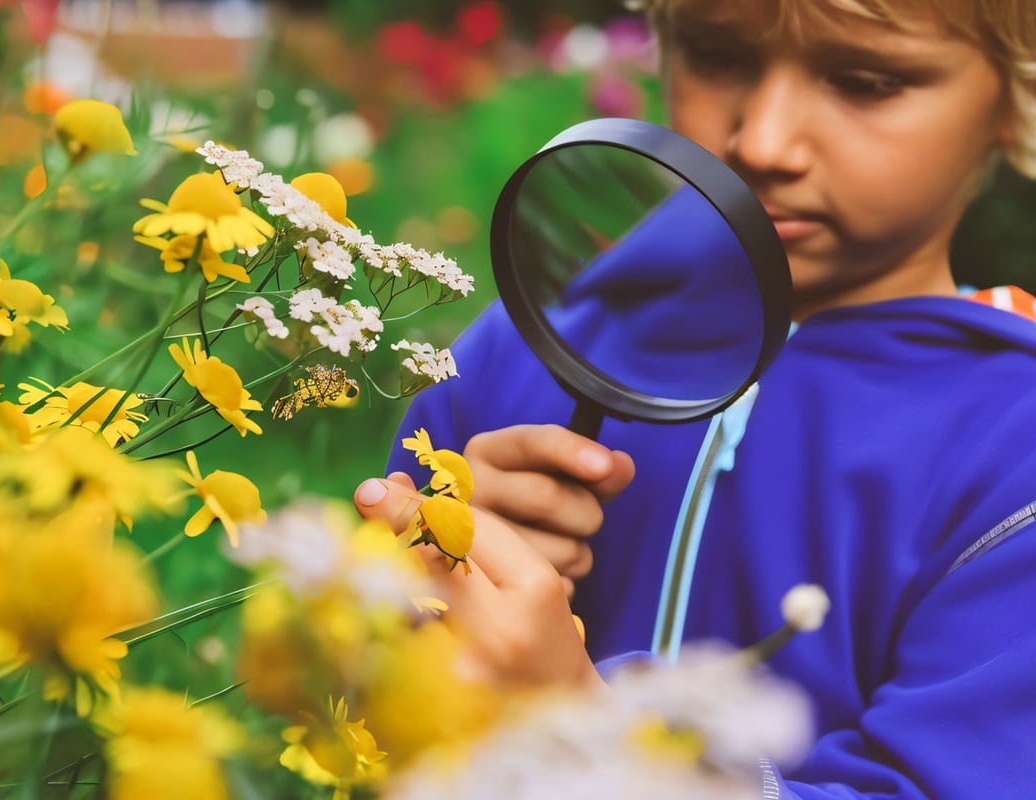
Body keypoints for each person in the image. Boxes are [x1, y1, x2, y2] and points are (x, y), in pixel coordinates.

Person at [354, 0, 1036, 797]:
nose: (763, 143)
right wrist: (420, 592)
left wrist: (582, 735)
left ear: (1014, 97)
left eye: (866, 81)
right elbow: (336, 702)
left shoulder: (1013, 451)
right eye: (717, 55)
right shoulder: (517, 352)